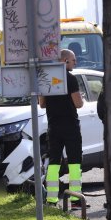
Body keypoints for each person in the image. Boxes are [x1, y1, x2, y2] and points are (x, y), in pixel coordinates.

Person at [39, 49, 84, 208]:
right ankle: (76, 200)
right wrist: (81, 99)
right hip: (70, 126)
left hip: (53, 127)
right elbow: (78, 103)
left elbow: (42, 103)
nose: (75, 62)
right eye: (73, 60)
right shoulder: (70, 79)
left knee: (53, 163)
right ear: (64, 61)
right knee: (74, 162)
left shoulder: (47, 78)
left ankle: (51, 200)